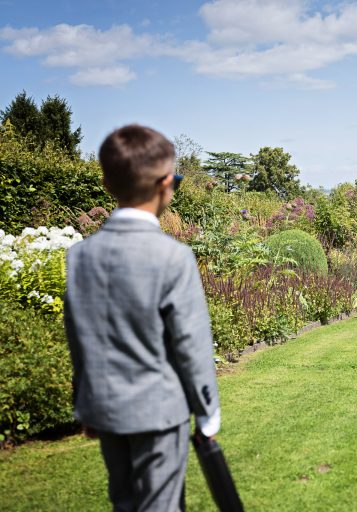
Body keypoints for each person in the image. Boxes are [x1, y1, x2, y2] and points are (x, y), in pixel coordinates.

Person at [64, 124, 221, 511]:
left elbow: (80, 337)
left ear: (106, 183)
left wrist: (86, 401)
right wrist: (207, 412)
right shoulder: (173, 257)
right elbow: (191, 343)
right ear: (166, 184)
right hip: (159, 411)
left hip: (106, 409)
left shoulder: (80, 256)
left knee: (125, 502)